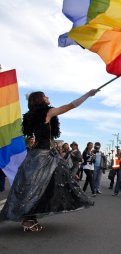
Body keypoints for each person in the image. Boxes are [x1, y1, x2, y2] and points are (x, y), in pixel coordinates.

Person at [0, 89, 97, 231]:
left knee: (40, 187)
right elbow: (70, 106)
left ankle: (30, 217)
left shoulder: (31, 115)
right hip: (44, 156)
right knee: (41, 187)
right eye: (45, 96)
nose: (48, 97)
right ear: (41, 100)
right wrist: (88, 94)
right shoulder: (47, 112)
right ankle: (27, 219)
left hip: (37, 155)